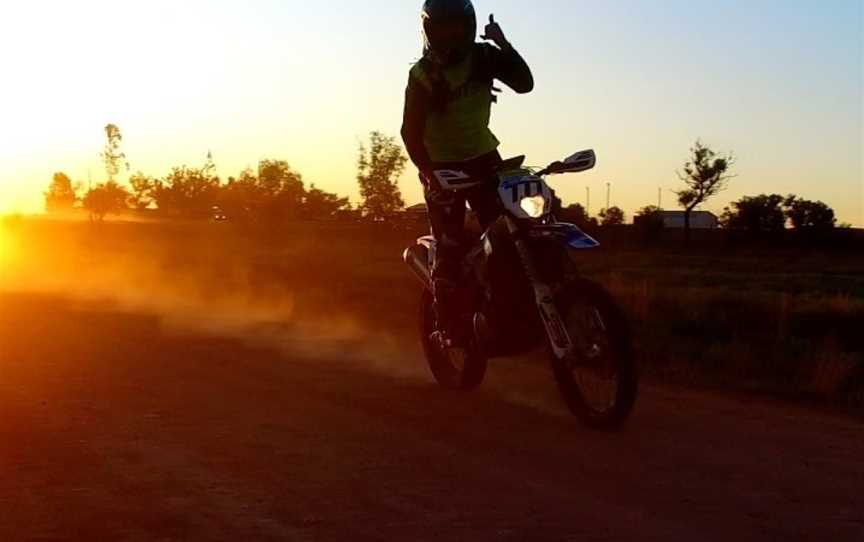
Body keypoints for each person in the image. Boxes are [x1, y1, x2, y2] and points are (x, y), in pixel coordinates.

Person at [401, 0, 534, 346]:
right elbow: (410, 133)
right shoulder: (422, 75)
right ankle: (449, 327)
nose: (452, 34)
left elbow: (524, 83)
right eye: (444, 27)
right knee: (450, 249)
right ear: (430, 30)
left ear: (470, 26)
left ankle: (507, 314)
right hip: (442, 167)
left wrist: (503, 44)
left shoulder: (484, 57)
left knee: (509, 237)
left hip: (484, 158)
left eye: (458, 26)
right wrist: (429, 173)